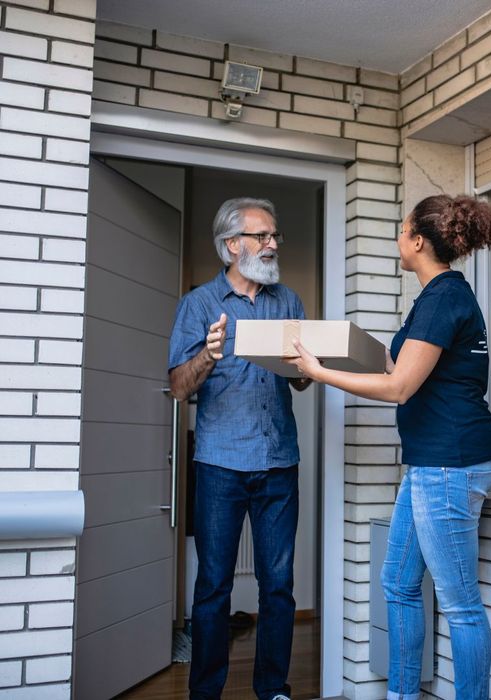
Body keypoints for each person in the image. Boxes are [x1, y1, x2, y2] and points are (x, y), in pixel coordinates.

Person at [287, 194, 491, 700]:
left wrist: (320, 373)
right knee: (399, 582)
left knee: (460, 604)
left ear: (418, 240)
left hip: (450, 463)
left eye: (401, 229)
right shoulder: (434, 298)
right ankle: (403, 694)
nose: (397, 237)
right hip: (431, 463)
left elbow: (400, 387)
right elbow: (396, 364)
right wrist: (340, 344)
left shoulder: (444, 299)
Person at [168, 197, 310, 700]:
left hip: (279, 465)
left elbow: (300, 384)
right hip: (220, 467)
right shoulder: (199, 305)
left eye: (275, 237)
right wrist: (207, 356)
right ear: (233, 246)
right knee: (213, 589)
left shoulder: (288, 301)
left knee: (277, 588)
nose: (273, 244)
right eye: (263, 236)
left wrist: (305, 364)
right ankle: (205, 693)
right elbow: (181, 387)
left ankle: (273, 689)